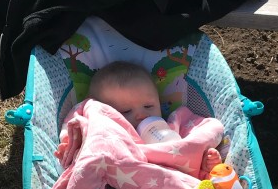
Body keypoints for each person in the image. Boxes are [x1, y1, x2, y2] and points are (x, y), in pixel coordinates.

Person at [88, 61, 221, 170]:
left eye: (148, 106)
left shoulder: (174, 126)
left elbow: (204, 133)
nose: (142, 115)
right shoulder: (111, 141)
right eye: (126, 111)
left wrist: (203, 160)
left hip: (183, 186)